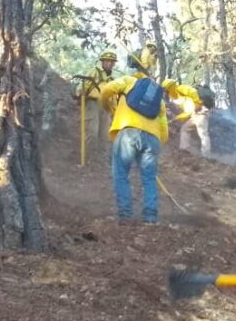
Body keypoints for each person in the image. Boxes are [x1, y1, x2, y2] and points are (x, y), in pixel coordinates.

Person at [98, 49, 192, 224]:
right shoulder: (157, 97)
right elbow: (163, 128)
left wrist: (109, 108)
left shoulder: (128, 81)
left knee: (121, 174)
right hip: (153, 140)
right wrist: (156, 143)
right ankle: (150, 218)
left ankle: (125, 215)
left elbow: (106, 91)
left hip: (128, 133)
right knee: (148, 178)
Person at [74, 51, 117, 161]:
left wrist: (114, 110)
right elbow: (84, 84)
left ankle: (101, 160)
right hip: (93, 103)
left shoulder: (113, 79)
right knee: (91, 132)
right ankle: (88, 159)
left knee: (105, 135)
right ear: (102, 62)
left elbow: (114, 95)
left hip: (106, 106)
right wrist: (80, 92)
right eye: (107, 61)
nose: (109, 63)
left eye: (112, 62)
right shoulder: (95, 72)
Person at [174, 84, 215, 156]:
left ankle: (206, 154)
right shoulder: (202, 95)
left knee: (203, 134)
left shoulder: (194, 94)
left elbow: (193, 106)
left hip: (201, 113)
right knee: (185, 128)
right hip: (198, 114)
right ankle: (184, 149)